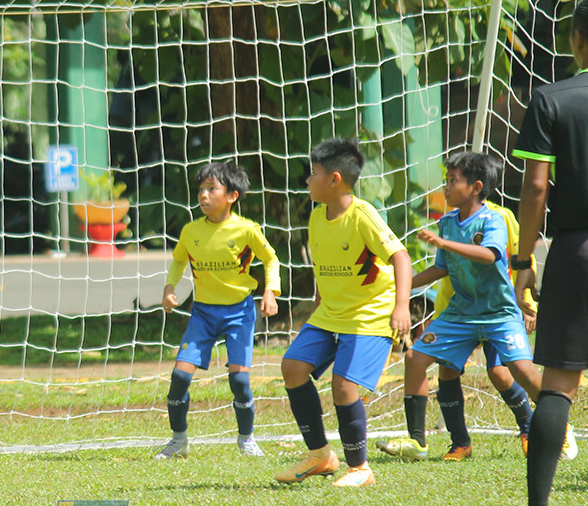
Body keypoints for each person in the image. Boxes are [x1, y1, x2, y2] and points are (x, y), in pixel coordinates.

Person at [376, 152, 559, 464]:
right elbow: (441, 268)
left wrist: (526, 305)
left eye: (452, 181)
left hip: (499, 311)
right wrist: (399, 286)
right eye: (446, 180)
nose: (446, 187)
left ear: (475, 186)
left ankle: (549, 422)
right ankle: (426, 442)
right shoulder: (447, 224)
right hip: (461, 312)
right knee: (417, 359)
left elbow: (491, 256)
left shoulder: (496, 219)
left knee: (509, 374)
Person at [274, 138, 412, 487]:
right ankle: (320, 455)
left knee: (344, 388)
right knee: (292, 367)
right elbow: (325, 263)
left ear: (334, 179)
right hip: (330, 313)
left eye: (313, 174)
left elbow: (401, 257)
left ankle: (360, 468)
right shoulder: (317, 216)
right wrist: (319, 306)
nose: (307, 180)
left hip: (370, 314)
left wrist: (401, 307)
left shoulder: (363, 215)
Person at [509, 0, 588, 506]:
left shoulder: (551, 98)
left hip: (575, 250)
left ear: (576, 38)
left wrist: (523, 259)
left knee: (558, 383)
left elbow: (536, 187)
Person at [156, 161, 280, 459]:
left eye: (212, 189)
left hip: (239, 313)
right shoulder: (190, 231)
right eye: (201, 189)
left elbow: (271, 258)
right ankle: (179, 440)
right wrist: (169, 289)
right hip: (203, 315)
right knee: (179, 377)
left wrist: (270, 292)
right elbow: (178, 262)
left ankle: (246, 439)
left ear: (232, 196)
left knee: (239, 381)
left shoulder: (246, 230)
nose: (204, 195)